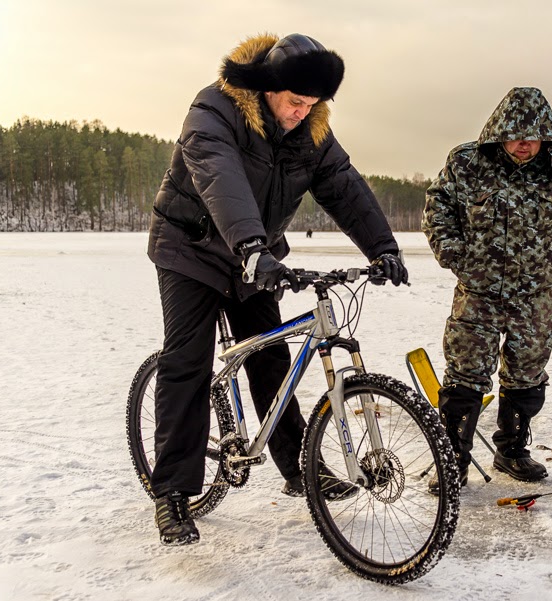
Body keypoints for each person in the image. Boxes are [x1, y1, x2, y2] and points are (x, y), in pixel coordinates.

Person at [146, 33, 408, 546]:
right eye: (294, 102)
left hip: (254, 255)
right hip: (192, 249)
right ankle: (173, 493)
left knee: (272, 360)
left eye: (312, 104)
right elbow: (221, 178)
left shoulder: (310, 129)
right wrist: (250, 246)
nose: (301, 112)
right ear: (267, 88)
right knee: (188, 362)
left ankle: (298, 470)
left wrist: (383, 247)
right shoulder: (214, 110)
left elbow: (343, 184)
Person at [422, 87, 552, 491]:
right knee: (465, 377)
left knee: (527, 375)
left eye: (532, 137)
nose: (523, 144)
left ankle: (512, 450)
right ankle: (452, 460)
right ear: (499, 131)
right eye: (515, 135)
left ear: (546, 136)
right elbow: (438, 209)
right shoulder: (467, 162)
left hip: (533, 296)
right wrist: (459, 257)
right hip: (479, 293)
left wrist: (541, 251)